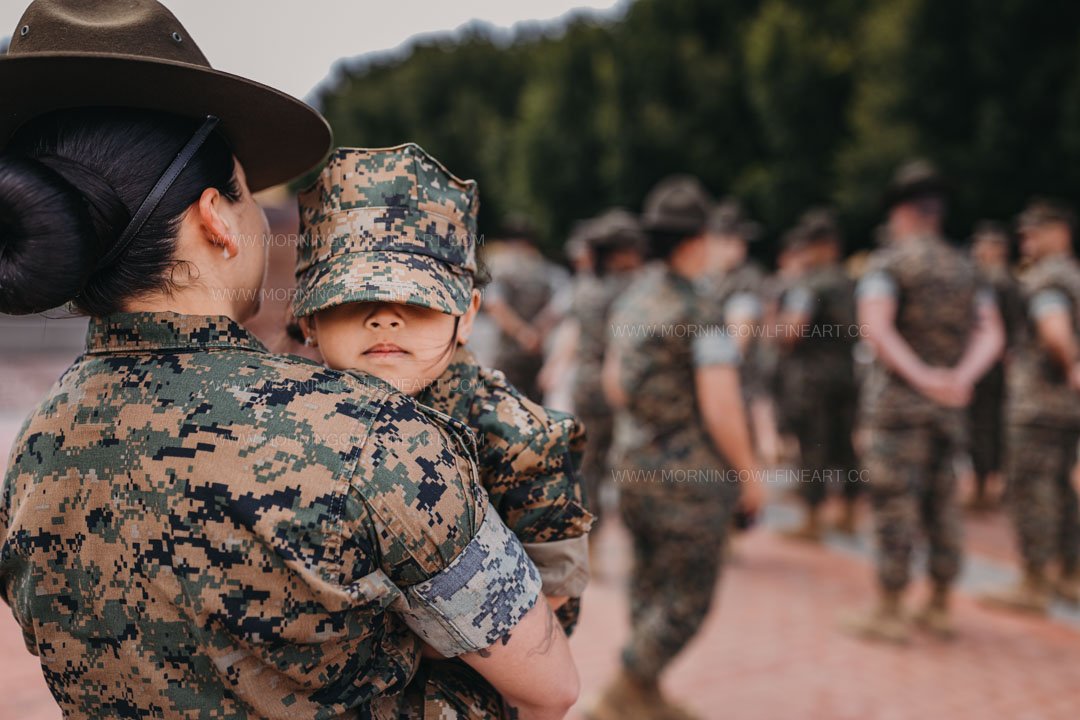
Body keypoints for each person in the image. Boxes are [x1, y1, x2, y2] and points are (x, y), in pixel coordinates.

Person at [0, 3, 578, 718]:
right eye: (248, 195)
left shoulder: (33, 453)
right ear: (216, 217)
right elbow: (549, 688)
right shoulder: (376, 437)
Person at [292, 144, 592, 718]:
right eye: (353, 297)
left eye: (419, 299)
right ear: (309, 318)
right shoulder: (286, 417)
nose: (385, 317)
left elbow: (551, 607)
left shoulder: (520, 439)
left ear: (469, 313)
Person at [589, 176, 765, 720]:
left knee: (648, 583)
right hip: (689, 479)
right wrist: (751, 477)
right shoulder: (702, 309)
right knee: (689, 597)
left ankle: (644, 692)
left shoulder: (633, 299)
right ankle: (625, 686)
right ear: (695, 241)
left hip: (634, 465)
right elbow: (721, 405)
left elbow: (615, 386)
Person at [844, 160, 1004, 643]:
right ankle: (938, 604)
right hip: (949, 408)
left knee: (895, 504)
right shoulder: (966, 268)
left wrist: (922, 376)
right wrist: (958, 378)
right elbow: (990, 334)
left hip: (898, 408)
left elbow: (875, 328)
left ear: (902, 213)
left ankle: (890, 608)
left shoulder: (888, 264)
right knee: (942, 502)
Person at [980, 200, 1080, 614]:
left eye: (1034, 233)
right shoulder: (1074, 275)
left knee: (1030, 488)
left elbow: (1054, 332)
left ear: (1060, 232)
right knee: (1061, 487)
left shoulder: (1046, 280)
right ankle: (1070, 574)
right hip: (1066, 406)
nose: (1026, 241)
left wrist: (1072, 364)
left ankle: (1034, 582)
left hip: (1040, 403)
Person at [778, 210, 860, 541]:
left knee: (813, 443)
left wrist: (777, 331)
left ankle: (811, 519)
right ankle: (849, 513)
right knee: (844, 443)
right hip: (845, 372)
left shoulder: (809, 284)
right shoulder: (849, 281)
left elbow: (792, 331)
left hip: (812, 376)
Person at [564, 210, 647, 536]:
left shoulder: (585, 286)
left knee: (588, 465)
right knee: (631, 464)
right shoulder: (637, 289)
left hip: (587, 384)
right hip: (627, 386)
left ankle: (589, 539)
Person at [966, 221, 1021, 511]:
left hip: (990, 365)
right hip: (995, 364)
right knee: (991, 426)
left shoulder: (996, 283)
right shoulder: (1007, 281)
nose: (977, 250)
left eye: (983, 245)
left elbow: (1008, 329)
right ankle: (989, 485)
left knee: (984, 426)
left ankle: (984, 488)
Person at [484, 215, 569, 403]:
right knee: (536, 410)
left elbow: (495, 305)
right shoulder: (547, 270)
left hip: (507, 351)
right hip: (538, 350)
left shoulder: (500, 267)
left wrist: (523, 333)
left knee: (499, 404)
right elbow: (558, 307)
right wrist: (536, 333)